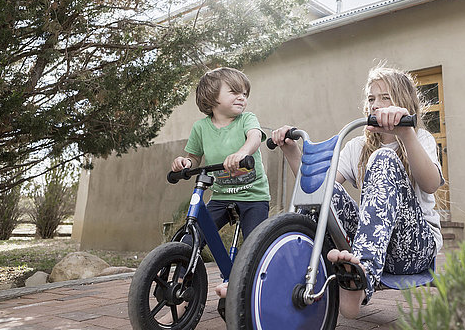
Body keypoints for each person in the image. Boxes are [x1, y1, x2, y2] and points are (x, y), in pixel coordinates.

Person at [271, 63, 444, 319]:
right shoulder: (357, 146)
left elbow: (431, 185)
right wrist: (292, 152)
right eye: (372, 98)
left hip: (414, 249)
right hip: (374, 244)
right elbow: (319, 191)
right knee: (325, 192)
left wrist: (406, 133)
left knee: (383, 158)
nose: (376, 104)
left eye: (386, 98)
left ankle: (360, 279)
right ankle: (268, 277)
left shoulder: (420, 138)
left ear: (403, 101)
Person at [171, 67, 270, 300]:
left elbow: (254, 137)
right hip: (221, 195)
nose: (242, 97)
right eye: (234, 91)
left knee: (255, 245)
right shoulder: (201, 127)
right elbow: (194, 157)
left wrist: (242, 152)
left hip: (253, 196)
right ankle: (182, 293)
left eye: (245, 93)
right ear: (211, 97)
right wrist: (185, 162)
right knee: (192, 237)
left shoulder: (247, 119)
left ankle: (255, 294)